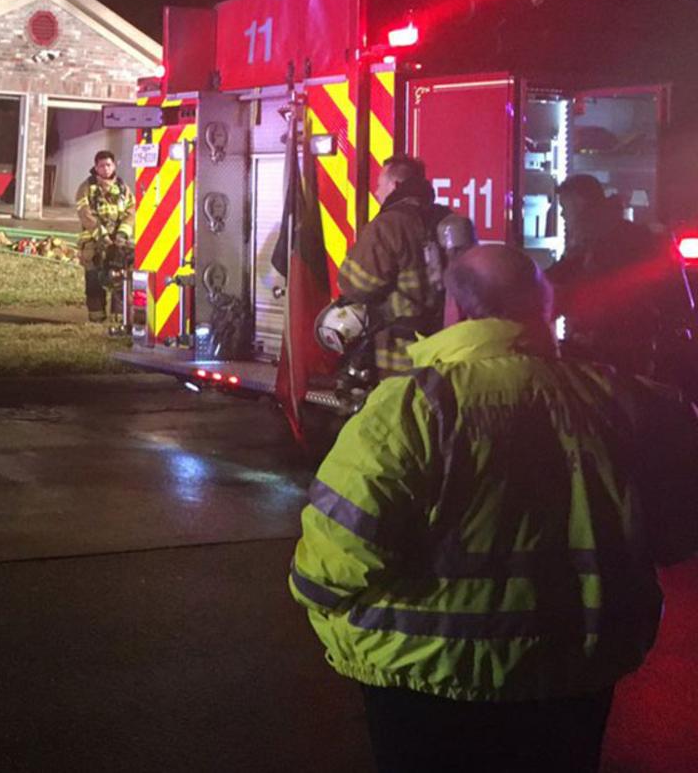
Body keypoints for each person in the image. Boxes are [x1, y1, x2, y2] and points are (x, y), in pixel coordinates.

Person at [291, 244, 698, 773]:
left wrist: (314, 598)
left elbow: (333, 555)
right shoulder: (621, 399)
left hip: (424, 678)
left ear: (456, 309)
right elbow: (679, 529)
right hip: (573, 674)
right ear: (543, 307)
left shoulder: (412, 408)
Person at [547, 174, 688, 376]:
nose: (562, 215)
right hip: (640, 348)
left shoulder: (593, 243)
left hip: (607, 350)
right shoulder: (631, 236)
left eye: (565, 208)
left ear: (580, 204)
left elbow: (565, 282)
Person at [338, 155, 449, 377]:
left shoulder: (388, 225)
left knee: (398, 405)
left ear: (395, 185)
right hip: (443, 347)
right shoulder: (446, 219)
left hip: (400, 353)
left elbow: (356, 285)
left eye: (379, 186)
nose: (377, 193)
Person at [75, 150, 134, 324]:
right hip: (93, 242)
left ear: (114, 165)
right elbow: (85, 214)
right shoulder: (86, 188)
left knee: (120, 278)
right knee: (94, 279)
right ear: (95, 167)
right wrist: (103, 237)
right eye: (101, 165)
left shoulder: (123, 188)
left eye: (108, 165)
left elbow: (131, 212)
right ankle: (96, 317)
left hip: (119, 241)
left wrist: (122, 234)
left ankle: (119, 317)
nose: (105, 169)